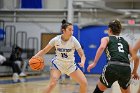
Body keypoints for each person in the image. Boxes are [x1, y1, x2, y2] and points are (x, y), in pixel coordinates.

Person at [32, 19, 87, 93]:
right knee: (52, 84)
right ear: (63, 30)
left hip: (70, 65)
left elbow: (82, 54)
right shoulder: (56, 39)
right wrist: (34, 57)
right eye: (69, 30)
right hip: (58, 64)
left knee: (84, 83)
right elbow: (44, 50)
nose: (72, 32)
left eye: (72, 30)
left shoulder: (74, 40)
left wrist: (82, 62)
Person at [87, 19, 139, 93]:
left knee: (98, 90)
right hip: (126, 68)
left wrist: (94, 63)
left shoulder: (106, 38)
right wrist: (134, 72)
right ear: (120, 31)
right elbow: (136, 58)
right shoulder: (126, 42)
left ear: (109, 30)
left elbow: (102, 47)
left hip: (112, 67)